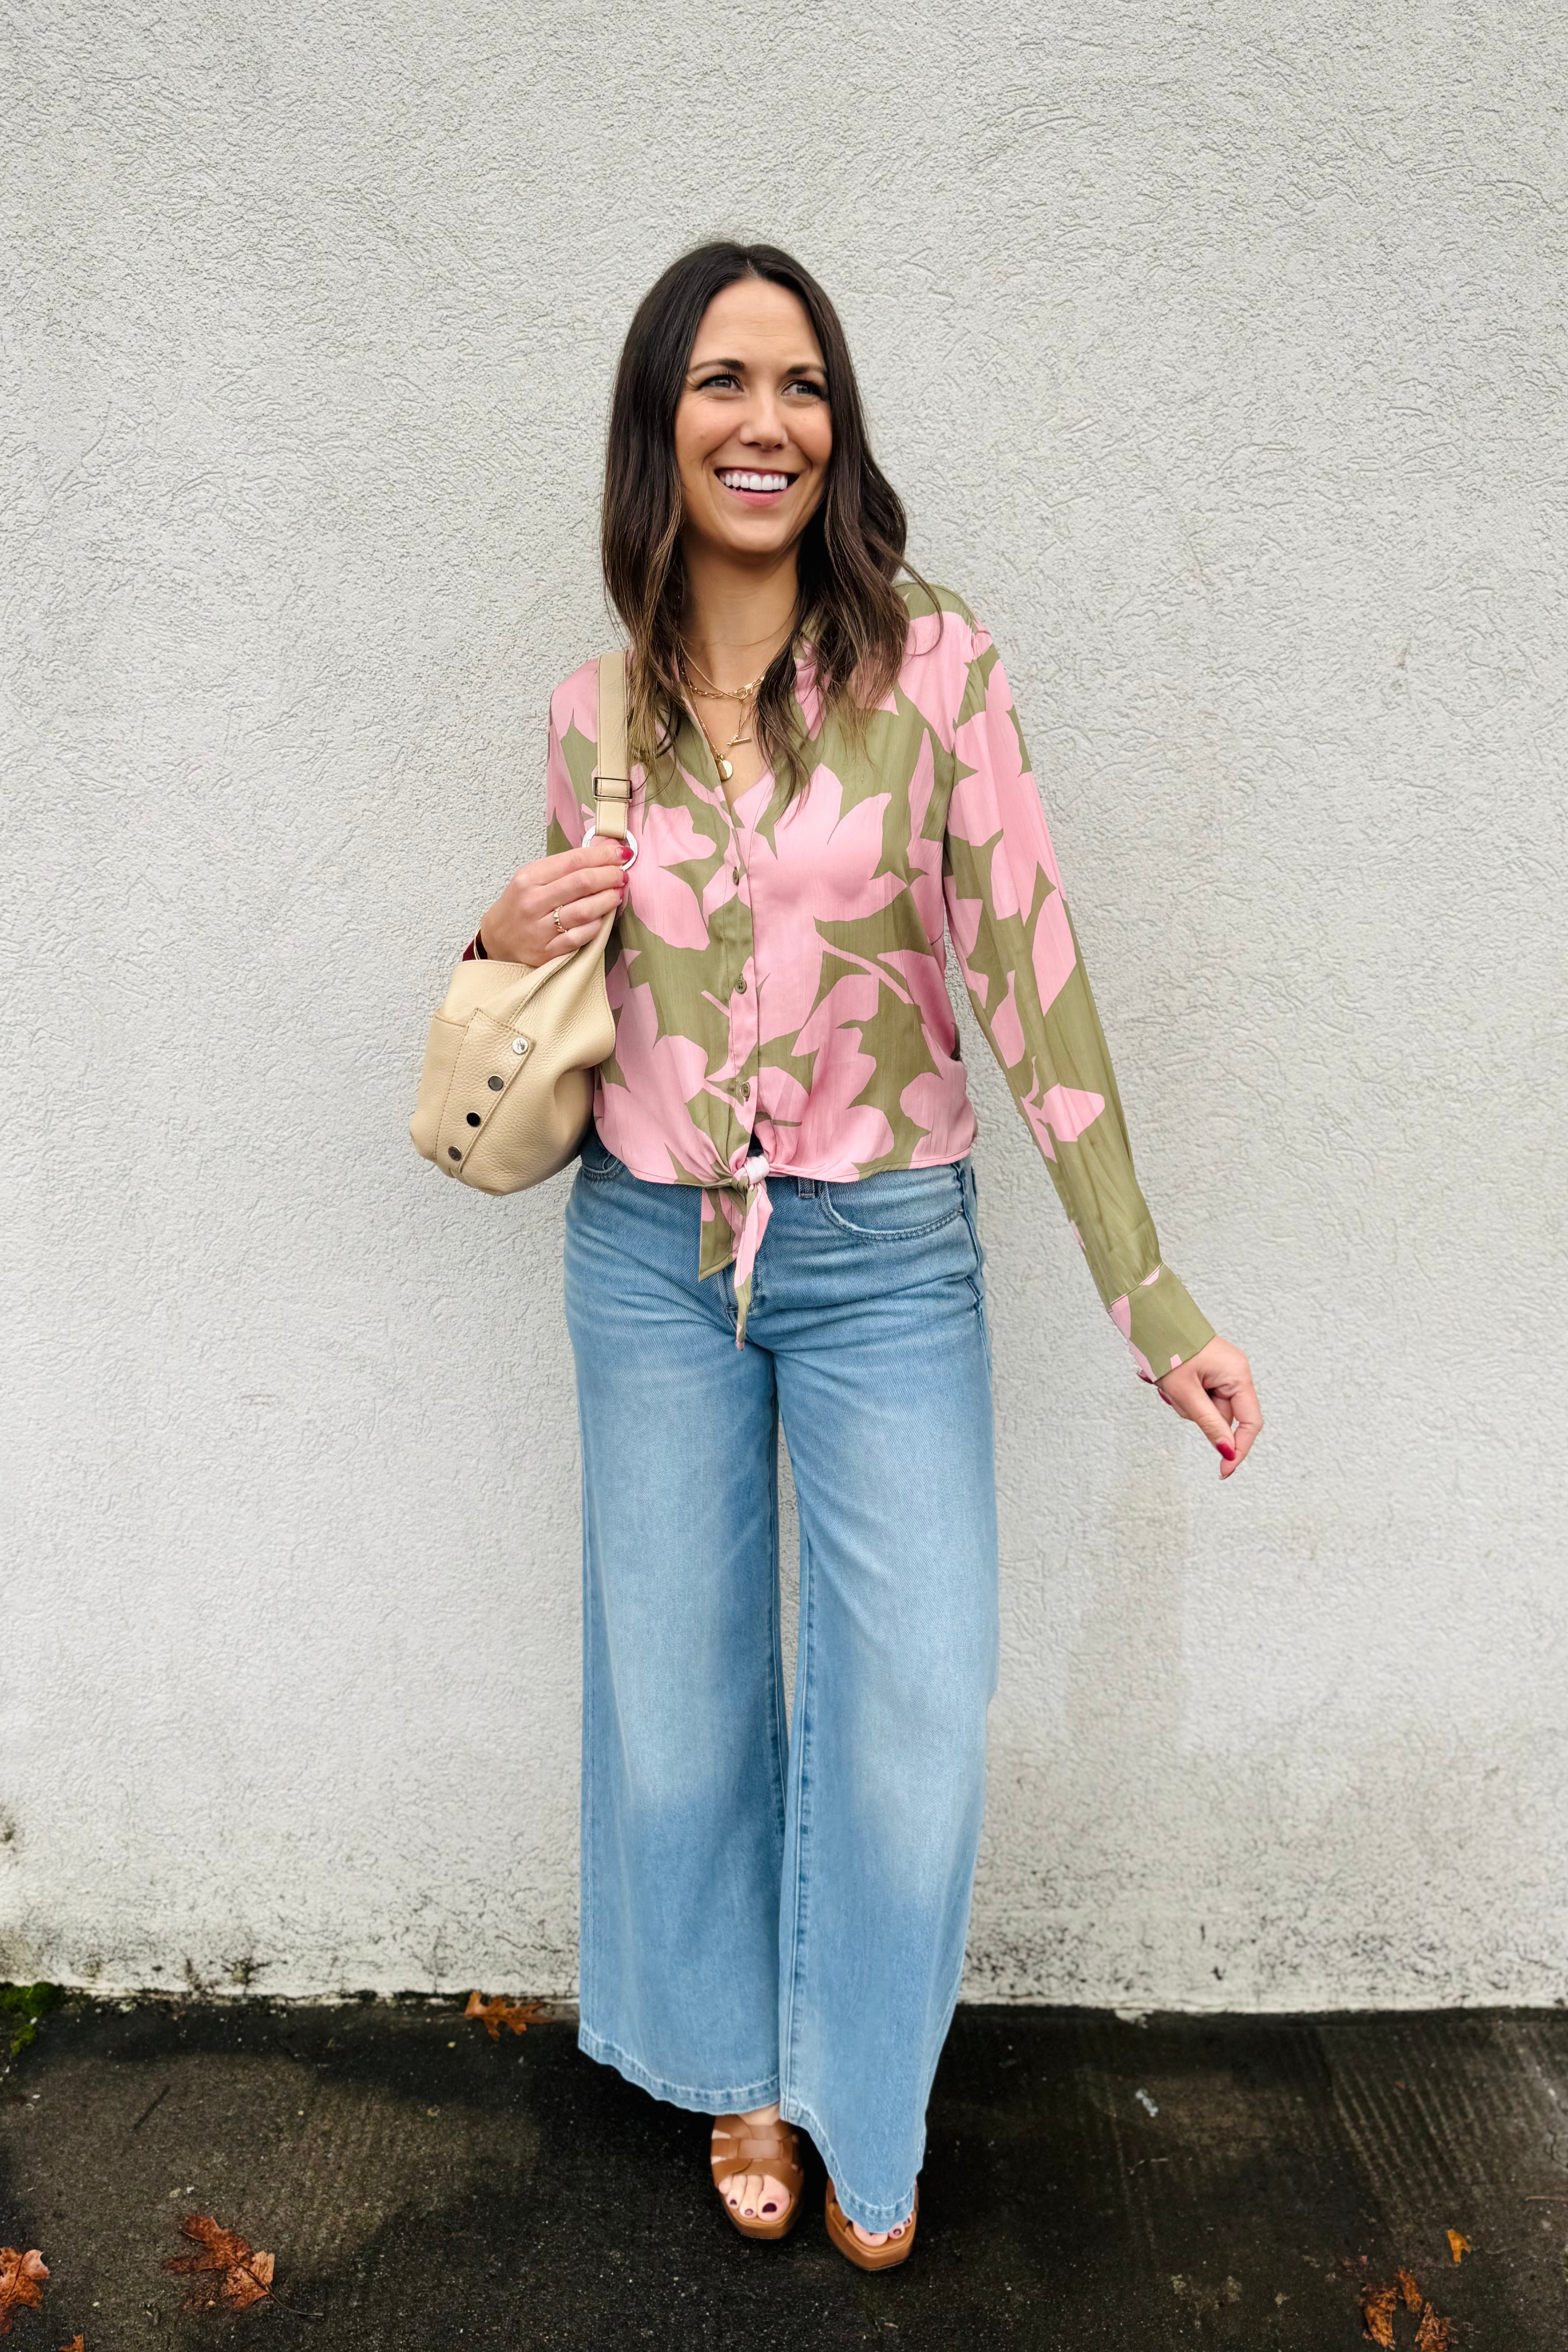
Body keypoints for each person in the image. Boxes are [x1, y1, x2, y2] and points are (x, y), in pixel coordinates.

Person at [462, 240, 1263, 2269]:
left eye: (803, 385)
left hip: (884, 1249)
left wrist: (1147, 1294)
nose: (768, 421)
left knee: (911, 1698)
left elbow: (1035, 985)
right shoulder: (593, 711)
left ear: (839, 428)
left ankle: (861, 2101)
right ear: (663, 424)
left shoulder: (938, 670)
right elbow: (561, 1022)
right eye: (723, 382)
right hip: (645, 1251)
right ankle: (743, 2070)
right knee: (684, 1691)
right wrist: (503, 939)